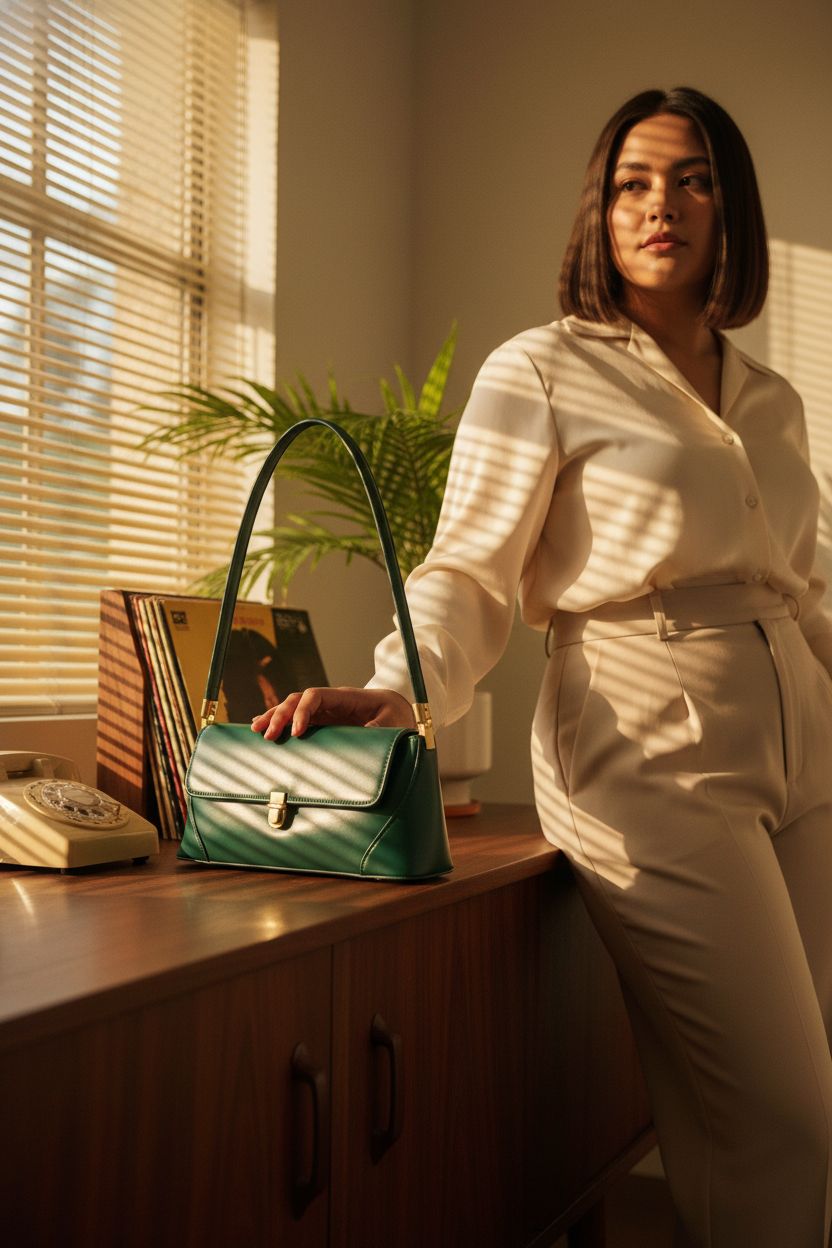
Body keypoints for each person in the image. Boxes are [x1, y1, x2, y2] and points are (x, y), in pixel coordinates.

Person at [252, 87, 832, 1248]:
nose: (660, 203)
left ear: (733, 210)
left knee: (802, 1117)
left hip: (802, 751)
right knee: (782, 1119)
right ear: (599, 212)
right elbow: (469, 566)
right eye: (632, 182)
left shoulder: (772, 402)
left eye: (692, 178)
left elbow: (808, 594)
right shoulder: (543, 369)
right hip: (646, 753)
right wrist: (400, 685)